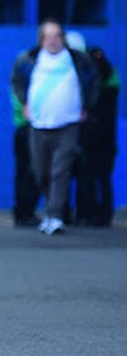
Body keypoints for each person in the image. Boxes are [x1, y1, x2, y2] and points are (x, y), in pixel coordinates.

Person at [11, 19, 98, 236]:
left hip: (68, 124)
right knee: (42, 172)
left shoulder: (78, 60)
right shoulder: (28, 60)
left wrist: (86, 106)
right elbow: (17, 82)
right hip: (39, 124)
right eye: (48, 36)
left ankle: (55, 215)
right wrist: (24, 103)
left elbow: (93, 82)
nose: (53, 41)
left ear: (63, 38)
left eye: (57, 36)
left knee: (61, 171)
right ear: (41, 39)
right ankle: (52, 207)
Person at [76, 46, 119, 227]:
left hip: (90, 136)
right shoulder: (112, 76)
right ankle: (103, 214)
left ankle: (86, 213)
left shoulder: (87, 80)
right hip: (107, 137)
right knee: (103, 177)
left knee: (88, 175)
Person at [10, 90, 40, 226]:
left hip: (20, 129)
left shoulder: (16, 86)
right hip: (31, 129)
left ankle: (21, 211)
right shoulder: (32, 87)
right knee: (31, 173)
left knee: (21, 173)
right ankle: (26, 211)